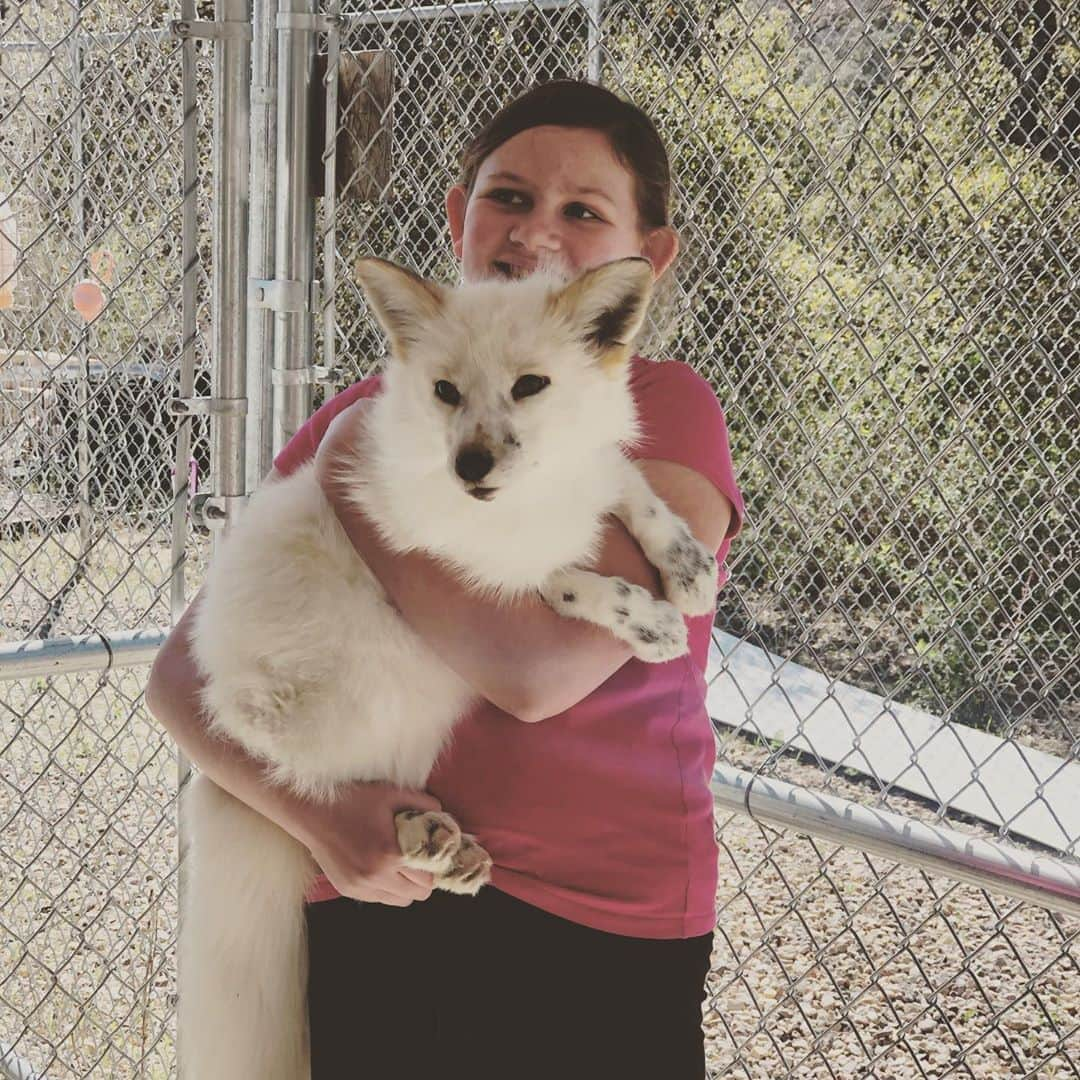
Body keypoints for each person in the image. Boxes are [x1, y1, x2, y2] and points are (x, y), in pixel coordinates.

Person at [147, 78, 743, 1080]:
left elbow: (535, 673)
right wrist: (324, 824)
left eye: (583, 212)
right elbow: (180, 684)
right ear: (458, 214)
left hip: (596, 915)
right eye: (508, 197)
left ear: (648, 262)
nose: (537, 234)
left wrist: (348, 472)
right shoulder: (368, 409)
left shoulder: (662, 408)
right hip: (387, 884)